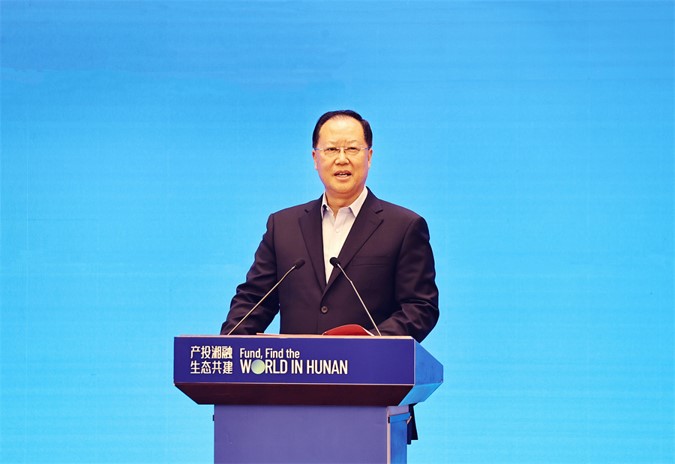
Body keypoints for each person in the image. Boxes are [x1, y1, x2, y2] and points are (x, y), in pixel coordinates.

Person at [220, 110, 439, 343]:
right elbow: (254, 300)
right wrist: (227, 346)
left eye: (352, 149)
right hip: (297, 365)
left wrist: (372, 343)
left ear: (369, 157)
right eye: (331, 149)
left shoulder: (404, 227)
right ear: (315, 158)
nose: (342, 159)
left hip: (368, 364)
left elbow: (420, 307)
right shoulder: (283, 226)